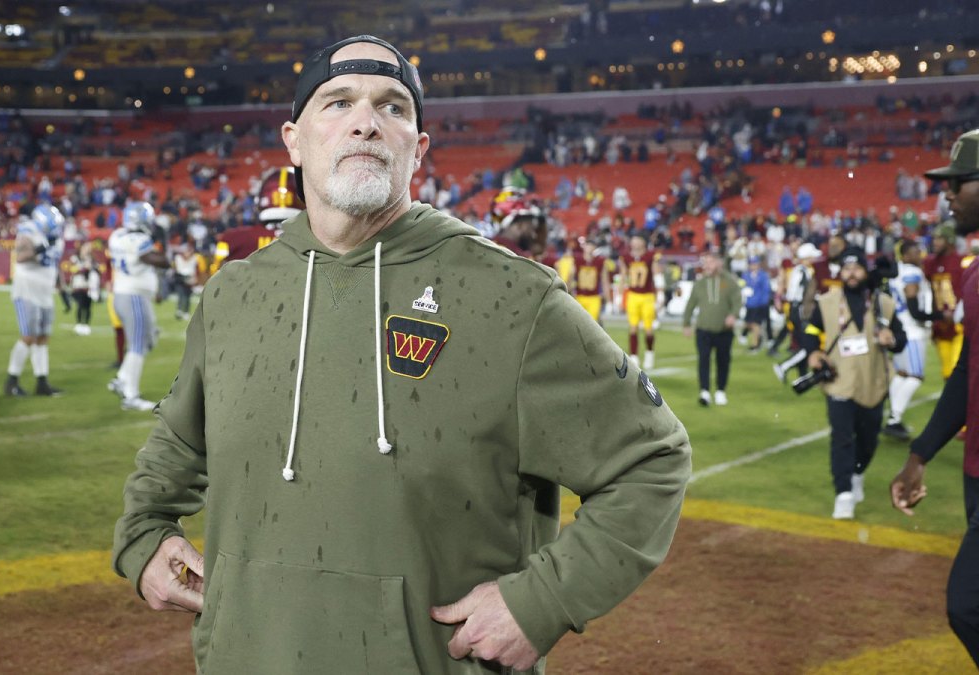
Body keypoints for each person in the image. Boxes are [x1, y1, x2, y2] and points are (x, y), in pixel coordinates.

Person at [112, 35, 691, 674]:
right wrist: (142, 535)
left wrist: (543, 600)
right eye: (337, 103)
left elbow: (651, 459)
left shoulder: (513, 297)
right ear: (293, 142)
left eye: (392, 106)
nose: (365, 121)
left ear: (416, 149)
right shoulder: (234, 293)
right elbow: (177, 441)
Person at [891, 129, 979, 665]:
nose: (947, 195)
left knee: (967, 606)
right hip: (975, 471)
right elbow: (968, 371)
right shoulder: (974, 275)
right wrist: (920, 453)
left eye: (960, 183)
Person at [802, 246, 906, 520]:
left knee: (870, 440)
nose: (851, 273)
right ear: (840, 272)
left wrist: (891, 340)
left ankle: (857, 473)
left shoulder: (883, 303)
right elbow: (811, 330)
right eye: (846, 268)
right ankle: (843, 493)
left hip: (874, 383)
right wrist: (813, 351)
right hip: (839, 382)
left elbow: (901, 338)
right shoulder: (827, 302)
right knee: (842, 438)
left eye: (856, 268)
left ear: (865, 271)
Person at [106, 201, 168, 412]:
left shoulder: (116, 236)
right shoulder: (140, 240)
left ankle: (122, 378)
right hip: (134, 297)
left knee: (147, 339)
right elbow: (158, 260)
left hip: (124, 294)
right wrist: (163, 245)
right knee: (138, 346)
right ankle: (131, 395)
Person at [4, 204, 64, 397]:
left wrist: (62, 289)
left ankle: (42, 382)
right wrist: (40, 247)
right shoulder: (28, 231)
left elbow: (54, 263)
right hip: (27, 291)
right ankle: (11, 381)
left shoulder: (56, 237)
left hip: (45, 292)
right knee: (28, 336)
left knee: (43, 338)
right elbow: (20, 257)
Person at [883, 239, 935, 440]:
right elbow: (914, 309)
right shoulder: (912, 273)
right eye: (914, 252)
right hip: (912, 330)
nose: (919, 255)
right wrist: (938, 316)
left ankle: (891, 416)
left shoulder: (897, 273)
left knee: (902, 374)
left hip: (899, 328)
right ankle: (894, 418)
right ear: (904, 255)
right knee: (915, 376)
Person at [682, 249, 741, 406]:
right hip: (703, 329)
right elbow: (690, 304)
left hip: (724, 330)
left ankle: (721, 391)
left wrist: (733, 315)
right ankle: (705, 391)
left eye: (710, 262)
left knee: (723, 361)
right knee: (703, 360)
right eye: (705, 262)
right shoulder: (700, 283)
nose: (707, 265)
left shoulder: (729, 281)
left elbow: (737, 301)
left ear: (719, 263)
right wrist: (686, 323)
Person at [773, 242, 821, 382]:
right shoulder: (802, 272)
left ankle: (802, 376)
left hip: (796, 309)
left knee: (802, 344)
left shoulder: (799, 271)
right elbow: (797, 295)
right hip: (799, 310)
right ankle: (784, 366)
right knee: (807, 346)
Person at [923, 222, 965, 380]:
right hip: (940, 324)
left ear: (950, 240)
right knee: (947, 373)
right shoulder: (929, 263)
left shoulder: (962, 261)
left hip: (960, 323)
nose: (935, 242)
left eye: (940, 239)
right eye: (934, 238)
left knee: (957, 369)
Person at [618, 233, 663, 369]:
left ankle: (649, 353)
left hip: (647, 296)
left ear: (643, 242)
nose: (635, 244)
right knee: (633, 327)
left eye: (638, 241)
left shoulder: (650, 256)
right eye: (634, 240)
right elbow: (623, 276)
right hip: (632, 294)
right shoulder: (626, 257)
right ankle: (634, 357)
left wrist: (660, 293)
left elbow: (657, 274)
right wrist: (619, 295)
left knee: (648, 329)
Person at [571, 236, 610, 323]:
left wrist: (608, 300)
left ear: (595, 248)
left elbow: (605, 281)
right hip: (579, 296)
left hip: (594, 297)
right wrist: (569, 291)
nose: (589, 247)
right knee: (578, 323)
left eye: (591, 245)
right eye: (588, 245)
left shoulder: (600, 262)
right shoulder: (577, 260)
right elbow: (570, 276)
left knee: (591, 324)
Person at [66, 242, 99, 336]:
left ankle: (86, 325)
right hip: (78, 285)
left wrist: (90, 268)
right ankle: (79, 324)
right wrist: (84, 268)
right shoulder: (75, 259)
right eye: (85, 248)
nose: (87, 250)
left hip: (89, 286)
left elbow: (96, 271)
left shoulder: (92, 260)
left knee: (88, 306)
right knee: (80, 305)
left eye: (88, 248)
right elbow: (71, 270)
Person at [741, 255, 772, 353]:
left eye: (755, 264)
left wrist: (764, 302)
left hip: (759, 304)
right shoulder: (745, 275)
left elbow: (766, 290)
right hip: (749, 303)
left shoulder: (763, 275)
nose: (753, 266)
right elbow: (742, 285)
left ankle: (755, 345)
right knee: (748, 323)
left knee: (756, 324)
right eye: (751, 264)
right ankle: (757, 338)